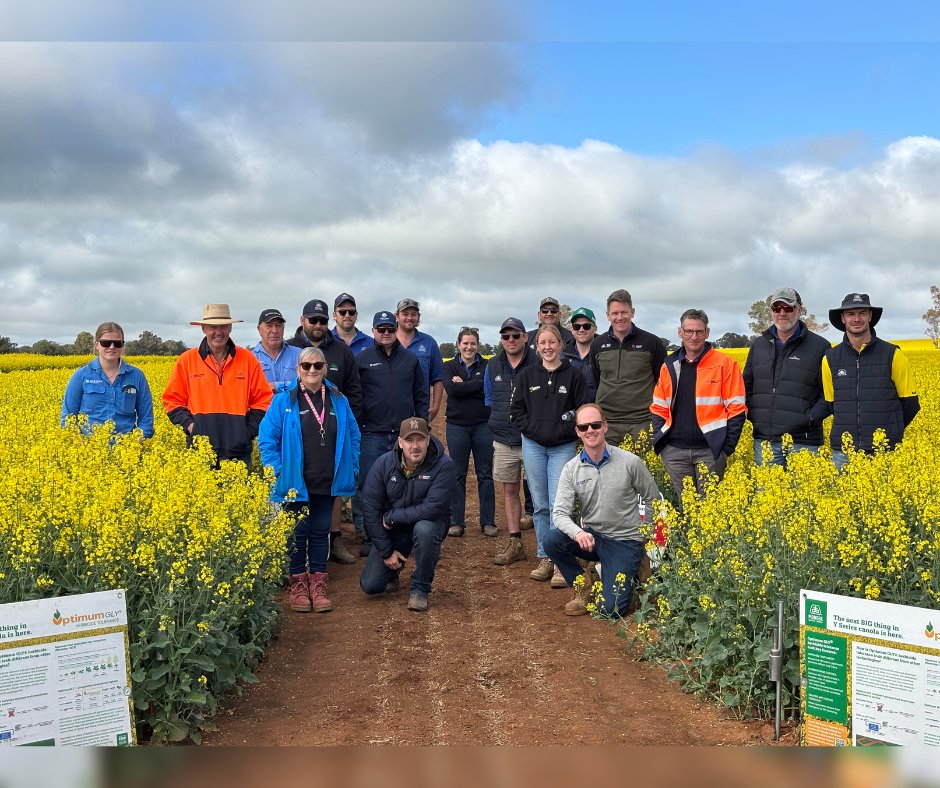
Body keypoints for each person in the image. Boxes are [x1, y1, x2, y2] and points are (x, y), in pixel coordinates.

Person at [258, 347, 361, 613]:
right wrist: (278, 470)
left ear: (325, 368)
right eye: (306, 366)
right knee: (297, 533)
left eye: (317, 365)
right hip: (295, 482)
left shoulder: (338, 400)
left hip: (327, 480)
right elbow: (267, 439)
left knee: (319, 533)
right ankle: (298, 586)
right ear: (298, 369)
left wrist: (351, 467)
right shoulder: (284, 400)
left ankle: (318, 585)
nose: (312, 370)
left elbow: (353, 435)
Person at [545, 403, 662, 616]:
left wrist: (644, 535)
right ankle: (583, 586)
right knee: (552, 540)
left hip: (625, 540)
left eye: (595, 425)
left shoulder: (630, 462)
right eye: (584, 427)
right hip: (593, 538)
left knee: (610, 610)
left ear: (605, 426)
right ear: (578, 431)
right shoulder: (571, 469)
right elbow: (560, 513)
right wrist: (578, 533)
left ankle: (637, 565)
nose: (590, 430)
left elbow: (652, 499)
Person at [510, 324, 589, 585]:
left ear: (560, 344)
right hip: (533, 445)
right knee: (541, 504)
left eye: (552, 342)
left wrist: (563, 430)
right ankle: (545, 556)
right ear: (536, 346)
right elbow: (516, 410)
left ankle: (559, 560)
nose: (547, 347)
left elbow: (582, 411)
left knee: (559, 504)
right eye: (542, 343)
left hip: (562, 447)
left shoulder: (574, 375)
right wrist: (533, 429)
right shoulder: (528, 375)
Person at [287, 297, 363, 563]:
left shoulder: (341, 350)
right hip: (298, 435)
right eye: (313, 320)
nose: (318, 325)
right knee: (298, 517)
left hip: (332, 433)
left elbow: (354, 390)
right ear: (302, 321)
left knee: (331, 495)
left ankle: (334, 539)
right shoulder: (290, 348)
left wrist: (344, 428)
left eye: (322, 320)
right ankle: (297, 562)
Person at [359, 417, 456, 612]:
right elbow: (370, 510)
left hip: (429, 522)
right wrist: (386, 551)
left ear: (428, 440)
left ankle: (420, 588)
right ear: (400, 442)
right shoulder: (383, 464)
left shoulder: (444, 465)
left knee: (425, 530)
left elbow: (432, 508)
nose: (415, 446)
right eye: (409, 440)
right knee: (370, 585)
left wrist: (392, 517)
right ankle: (393, 572)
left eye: (420, 439)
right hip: (397, 528)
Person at [650, 308, 746, 506]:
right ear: (680, 332)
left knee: (710, 508)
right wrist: (663, 444)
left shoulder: (725, 364)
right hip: (675, 451)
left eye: (699, 332)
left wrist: (726, 449)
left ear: (707, 333)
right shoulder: (670, 365)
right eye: (689, 331)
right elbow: (659, 407)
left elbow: (737, 409)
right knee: (687, 507)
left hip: (710, 451)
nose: (694, 337)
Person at [355, 311, 429, 555]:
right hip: (372, 434)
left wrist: (422, 427)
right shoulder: (361, 360)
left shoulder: (410, 360)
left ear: (396, 329)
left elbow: (420, 395)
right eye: (381, 329)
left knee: (405, 485)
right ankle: (371, 537)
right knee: (370, 486)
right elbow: (356, 396)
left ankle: (404, 534)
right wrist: (360, 425)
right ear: (373, 331)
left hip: (403, 436)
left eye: (390, 328)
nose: (386, 333)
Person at [163, 304, 272, 464]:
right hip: (199, 452)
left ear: (230, 328)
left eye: (223, 326)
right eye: (213, 327)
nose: (218, 332)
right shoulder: (187, 360)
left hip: (239, 452)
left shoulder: (248, 359)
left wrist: (246, 432)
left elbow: (263, 401)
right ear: (203, 329)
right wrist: (192, 427)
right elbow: (172, 401)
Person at [822, 293, 920, 469]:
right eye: (850, 314)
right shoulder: (830, 358)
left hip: (884, 450)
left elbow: (910, 403)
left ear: (870, 316)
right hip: (844, 452)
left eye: (862, 313)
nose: (856, 319)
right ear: (843, 318)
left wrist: (891, 430)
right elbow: (831, 403)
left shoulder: (893, 354)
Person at [743, 288, 830, 466]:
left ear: (800, 310)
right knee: (767, 485)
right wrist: (755, 415)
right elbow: (746, 386)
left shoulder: (820, 347)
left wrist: (809, 419)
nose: (782, 313)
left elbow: (829, 393)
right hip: (766, 440)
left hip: (804, 441)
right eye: (777, 308)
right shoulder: (758, 345)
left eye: (788, 308)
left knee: (806, 485)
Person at [486, 318, 537, 566]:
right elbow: (489, 397)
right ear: (501, 340)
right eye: (506, 336)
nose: (511, 340)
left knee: (539, 494)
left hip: (532, 439)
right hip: (504, 439)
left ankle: (547, 552)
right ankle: (515, 542)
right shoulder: (493, 364)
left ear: (525, 337)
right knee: (509, 490)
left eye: (516, 335)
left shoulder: (537, 362)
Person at [590, 289, 666, 449]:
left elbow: (662, 382)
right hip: (607, 421)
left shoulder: (652, 343)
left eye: (624, 312)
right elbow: (597, 379)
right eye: (614, 313)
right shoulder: (597, 344)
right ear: (607, 315)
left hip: (642, 421)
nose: (619, 317)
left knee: (642, 464)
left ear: (633, 312)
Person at [442, 327, 495, 538]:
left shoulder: (488, 365)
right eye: (465, 343)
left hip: (483, 425)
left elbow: (488, 388)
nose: (469, 347)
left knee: (485, 474)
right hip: (456, 426)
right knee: (457, 474)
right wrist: (476, 386)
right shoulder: (449, 366)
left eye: (473, 343)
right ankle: (456, 522)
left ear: (477, 345)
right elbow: (451, 390)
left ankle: (488, 521)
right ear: (458, 344)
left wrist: (464, 385)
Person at [61, 321, 154, 438]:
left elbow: (146, 417)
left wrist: (138, 440)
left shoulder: (136, 376)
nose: (112, 347)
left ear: (123, 345)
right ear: (96, 344)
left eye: (117, 343)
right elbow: (68, 417)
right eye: (106, 343)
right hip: (88, 446)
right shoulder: (81, 376)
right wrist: (79, 442)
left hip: (128, 446)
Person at [395, 298, 444, 424]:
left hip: (419, 412)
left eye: (413, 314)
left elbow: (438, 378)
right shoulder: (387, 341)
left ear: (418, 317)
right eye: (405, 314)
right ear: (397, 316)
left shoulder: (429, 343)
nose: (409, 318)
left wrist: (435, 407)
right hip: (390, 412)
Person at [251, 308, 301, 393]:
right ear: (259, 329)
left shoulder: (299, 355)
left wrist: (276, 386)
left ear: (283, 328)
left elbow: (310, 383)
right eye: (269, 326)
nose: (274, 331)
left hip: (294, 402)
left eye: (278, 325)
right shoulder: (250, 358)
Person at [562, 306, 598, 401]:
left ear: (595, 328)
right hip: (568, 408)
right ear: (572, 329)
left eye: (586, 326)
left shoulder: (603, 354)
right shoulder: (562, 355)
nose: (581, 330)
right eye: (576, 326)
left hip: (596, 408)